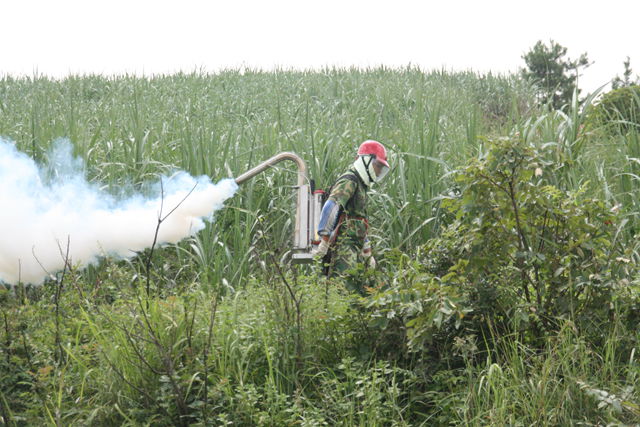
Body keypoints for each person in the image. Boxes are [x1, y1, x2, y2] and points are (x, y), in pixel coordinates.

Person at [312, 140, 390, 295]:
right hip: (343, 245)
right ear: (366, 161)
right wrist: (324, 241)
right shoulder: (350, 180)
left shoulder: (361, 185)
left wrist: (367, 250)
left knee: (360, 288)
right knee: (342, 290)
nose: (379, 171)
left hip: (355, 245)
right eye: (378, 166)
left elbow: (358, 219)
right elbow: (331, 206)